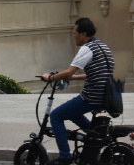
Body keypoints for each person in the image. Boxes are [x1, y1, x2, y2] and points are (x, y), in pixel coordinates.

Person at [40, 17, 116, 165]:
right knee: (73, 113)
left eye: (75, 32)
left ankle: (65, 157)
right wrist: (75, 78)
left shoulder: (87, 48)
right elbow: (97, 73)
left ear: (83, 34)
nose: (73, 35)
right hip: (107, 95)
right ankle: (94, 137)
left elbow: (68, 72)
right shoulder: (103, 46)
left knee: (56, 116)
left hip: (92, 96)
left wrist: (50, 77)